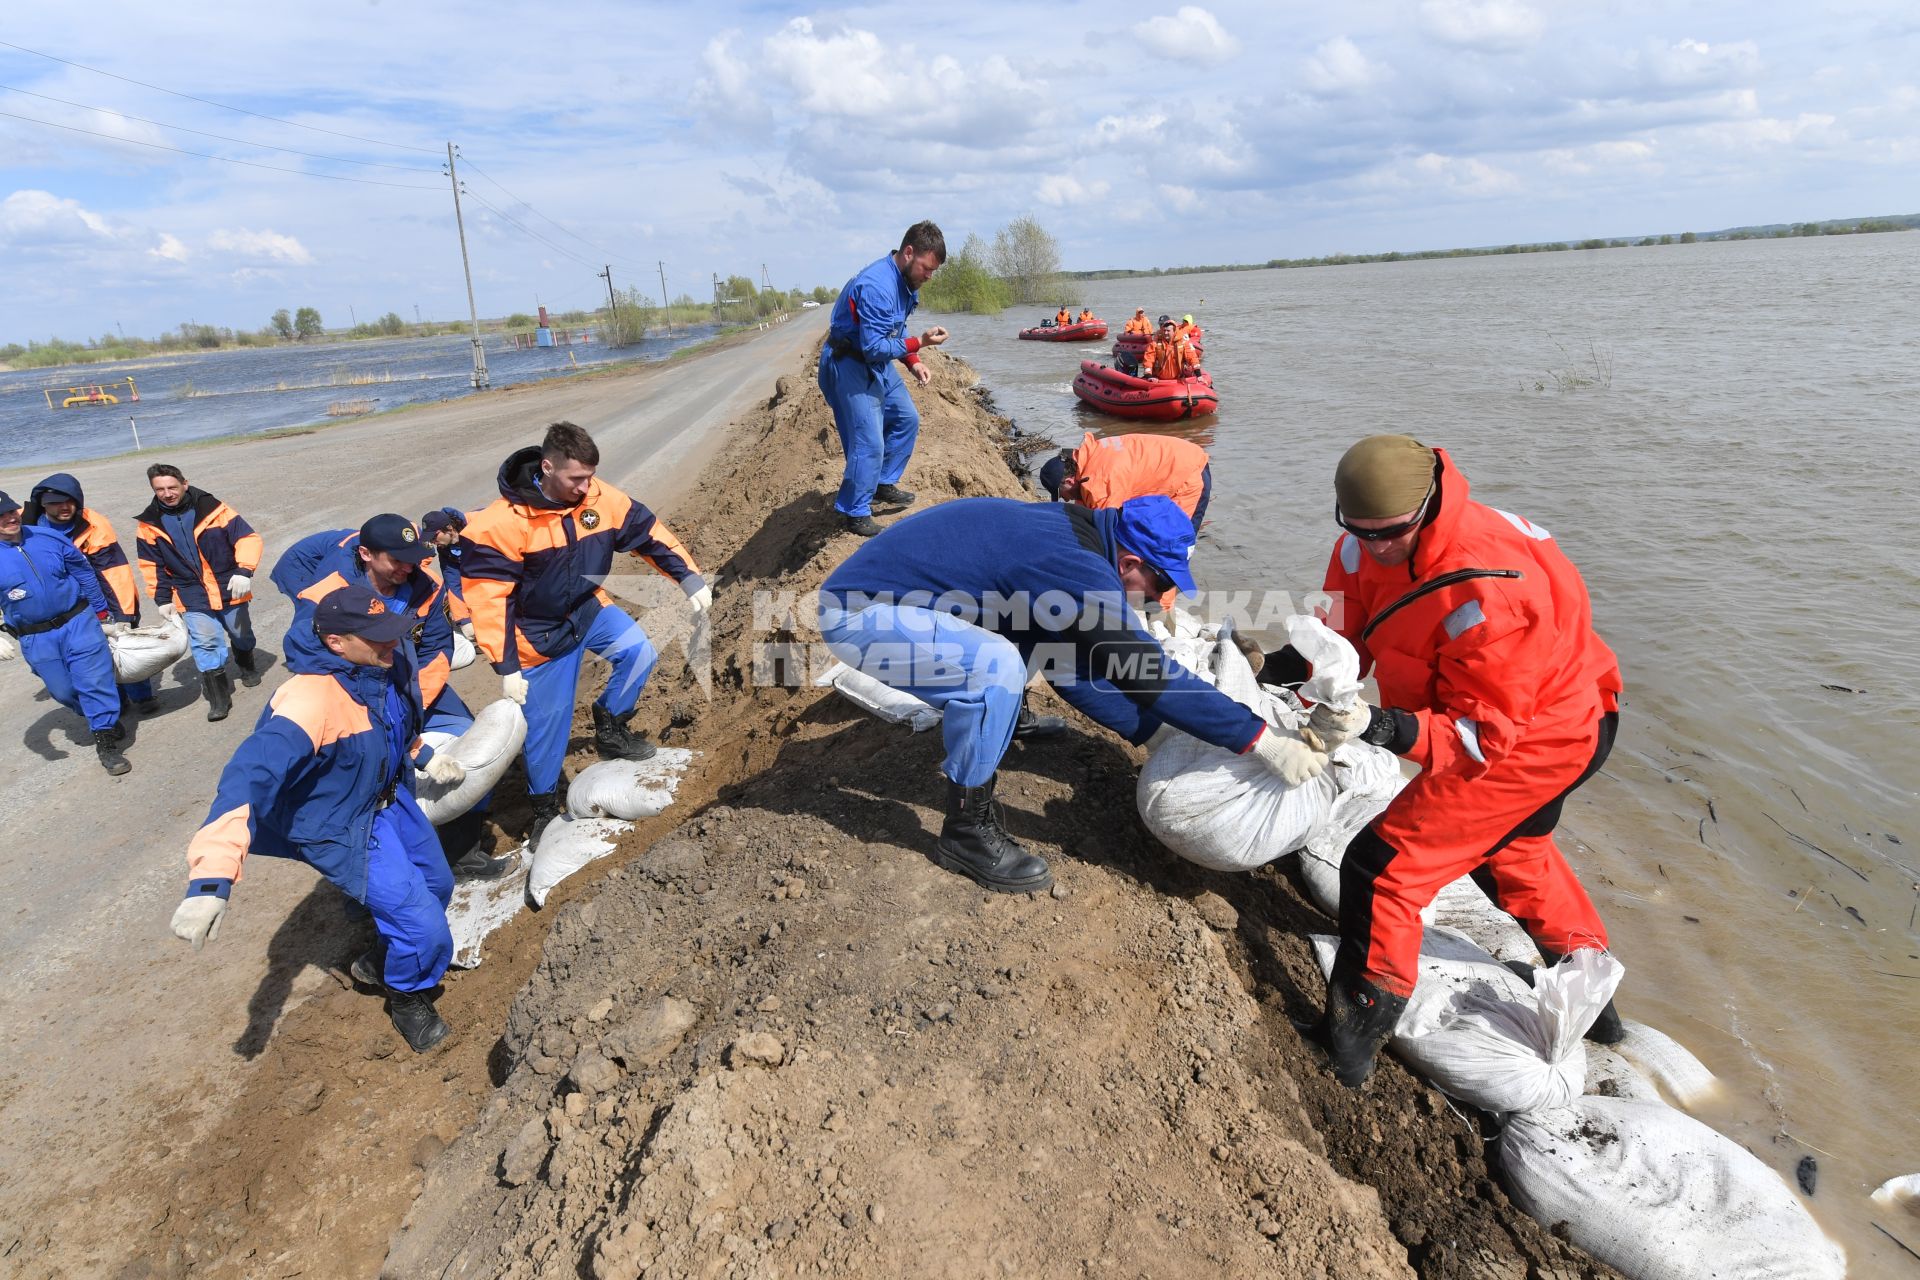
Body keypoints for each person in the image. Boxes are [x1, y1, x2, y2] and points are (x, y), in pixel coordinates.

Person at [1273, 435, 1627, 1088]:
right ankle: (1599, 1008)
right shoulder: (1362, 541)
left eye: (1391, 535)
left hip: (1541, 735)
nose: (1375, 547)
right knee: (1512, 858)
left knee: (1382, 867)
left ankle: (1349, 1047)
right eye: (1360, 533)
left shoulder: (1487, 595)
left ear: (1430, 505)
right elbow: (1341, 632)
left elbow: (1478, 741)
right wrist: (1278, 674)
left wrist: (1376, 724)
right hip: (1524, 715)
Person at [817, 495, 1328, 893]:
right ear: (1131, 561)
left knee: (1030, 643)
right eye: (1158, 584)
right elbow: (1145, 673)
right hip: (860, 614)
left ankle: (1004, 721)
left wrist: (1153, 734)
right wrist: (1258, 738)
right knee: (993, 668)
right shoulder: (1076, 569)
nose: (1158, 598)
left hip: (909, 606)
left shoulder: (1076, 536)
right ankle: (966, 831)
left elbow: (1070, 666)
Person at [168, 583, 467, 1051]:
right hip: (341, 825)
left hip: (388, 800)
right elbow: (247, 780)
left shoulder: (382, 665)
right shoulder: (309, 700)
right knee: (422, 925)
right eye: (377, 636)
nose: (392, 642)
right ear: (336, 643)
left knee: (439, 887)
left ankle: (380, 961)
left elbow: (390, 727)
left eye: (390, 631)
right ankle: (406, 994)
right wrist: (211, 879)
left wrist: (421, 753)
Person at [459, 422, 710, 843]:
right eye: (577, 478)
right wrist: (505, 664)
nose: (586, 486)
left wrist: (687, 577)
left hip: (588, 610)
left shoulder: (598, 497)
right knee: (547, 726)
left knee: (639, 653)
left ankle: (610, 727)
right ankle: (542, 809)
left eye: (591, 476)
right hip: (538, 636)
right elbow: (489, 599)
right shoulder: (501, 524)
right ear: (547, 468)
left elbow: (648, 534)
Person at [271, 514, 511, 880]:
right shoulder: (329, 591)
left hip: (410, 683)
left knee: (469, 742)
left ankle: (463, 851)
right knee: (362, 773)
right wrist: (370, 707)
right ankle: (366, 875)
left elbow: (436, 649)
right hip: (353, 692)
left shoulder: (425, 587)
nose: (406, 567)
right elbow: (303, 652)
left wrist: (415, 705)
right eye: (395, 560)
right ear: (366, 554)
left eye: (411, 558)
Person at [819, 221, 950, 537]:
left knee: (906, 418)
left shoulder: (904, 283)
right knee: (869, 440)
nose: (929, 276)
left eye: (933, 271)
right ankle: (855, 511)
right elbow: (874, 346)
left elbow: (895, 329)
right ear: (908, 253)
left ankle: (882, 482)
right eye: (926, 268)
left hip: (873, 361)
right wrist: (920, 343)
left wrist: (913, 360)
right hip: (849, 363)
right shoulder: (878, 286)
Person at [0, 490, 133, 774]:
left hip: (78, 620)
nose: (9, 518)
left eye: (11, 511)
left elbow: (83, 572)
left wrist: (102, 613)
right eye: (1, 516)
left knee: (94, 680)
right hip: (35, 635)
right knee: (64, 690)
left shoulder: (47, 537)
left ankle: (105, 740)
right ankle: (98, 714)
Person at [134, 463, 264, 722]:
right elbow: (152, 565)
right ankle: (219, 697)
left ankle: (245, 661)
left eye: (172, 487)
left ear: (184, 483)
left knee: (241, 633)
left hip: (229, 583)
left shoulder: (215, 510)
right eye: (160, 489)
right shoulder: (149, 525)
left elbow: (247, 538)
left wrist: (244, 570)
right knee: (205, 641)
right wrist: (161, 598)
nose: (167, 493)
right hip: (189, 591)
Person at [23, 472, 156, 713]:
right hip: (66, 604)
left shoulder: (93, 523)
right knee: (92, 657)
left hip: (103, 595)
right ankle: (116, 699)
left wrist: (124, 614)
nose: (64, 507)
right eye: (55, 502)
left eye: (69, 501)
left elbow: (113, 570)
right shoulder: (28, 530)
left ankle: (141, 695)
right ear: (43, 504)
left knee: (123, 644)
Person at [1037, 431, 1213, 531]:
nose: (1066, 499)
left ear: (1068, 480)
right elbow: (1086, 508)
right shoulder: (1088, 459)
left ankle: (1158, 597)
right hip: (1175, 460)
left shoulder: (1101, 483)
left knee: (1172, 543)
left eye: (1062, 495)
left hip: (1189, 473)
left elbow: (1106, 532)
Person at [420, 507, 474, 639]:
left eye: (434, 536)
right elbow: (453, 583)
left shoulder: (477, 528)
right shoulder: (445, 549)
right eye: (430, 538)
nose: (433, 542)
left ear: (449, 528)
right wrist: (464, 620)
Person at [1140, 316, 1200, 382]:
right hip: (1159, 379)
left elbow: (1192, 357)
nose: (1165, 333)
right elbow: (1148, 359)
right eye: (1164, 330)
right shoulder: (1155, 343)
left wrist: (1198, 374)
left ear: (1174, 331)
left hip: (1178, 379)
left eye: (1168, 331)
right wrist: (1149, 376)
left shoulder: (1183, 342)